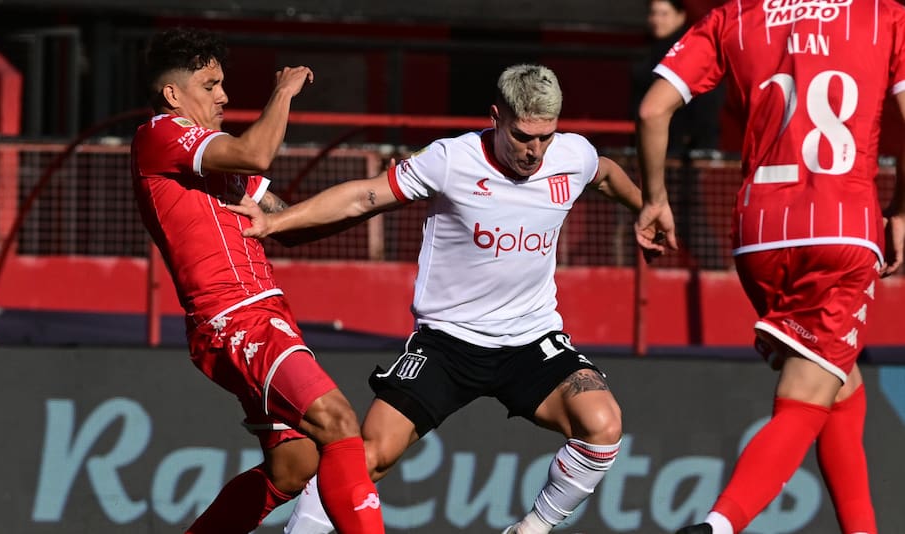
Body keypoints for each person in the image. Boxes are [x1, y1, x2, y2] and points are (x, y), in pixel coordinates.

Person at [229, 64, 642, 534]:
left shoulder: (572, 156)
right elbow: (364, 196)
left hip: (532, 339)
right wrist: (275, 222)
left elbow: (606, 175)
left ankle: (530, 529)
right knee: (368, 457)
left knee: (604, 425)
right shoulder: (451, 159)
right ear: (496, 117)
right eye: (524, 136)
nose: (535, 151)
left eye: (546, 137)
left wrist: (650, 207)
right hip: (448, 344)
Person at [634, 2, 905, 533]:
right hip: (841, 229)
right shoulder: (884, 16)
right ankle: (718, 525)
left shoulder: (733, 16)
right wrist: (902, 209)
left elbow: (651, 110)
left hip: (760, 234)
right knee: (806, 399)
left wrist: (654, 199)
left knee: (836, 381)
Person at [129, 27, 384, 534]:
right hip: (234, 317)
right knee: (338, 422)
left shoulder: (213, 157)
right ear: (173, 95)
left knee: (296, 465)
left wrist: (384, 194)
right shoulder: (160, 133)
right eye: (210, 84)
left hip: (261, 312)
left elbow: (285, 223)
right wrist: (283, 92)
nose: (223, 95)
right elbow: (256, 154)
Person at [630, 0, 722, 155]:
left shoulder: (691, 49)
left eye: (664, 14)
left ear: (681, 16)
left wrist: (694, 137)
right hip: (651, 139)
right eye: (653, 13)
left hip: (683, 147)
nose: (657, 20)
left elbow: (708, 98)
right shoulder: (648, 49)